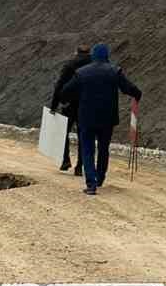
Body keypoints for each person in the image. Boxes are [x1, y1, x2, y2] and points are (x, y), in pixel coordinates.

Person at [58, 42, 141, 195]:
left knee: (88, 150)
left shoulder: (81, 73)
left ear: (93, 55)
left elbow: (65, 92)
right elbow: (128, 88)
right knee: (103, 148)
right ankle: (100, 177)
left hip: (86, 118)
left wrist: (67, 100)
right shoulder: (114, 71)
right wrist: (137, 94)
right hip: (107, 119)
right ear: (106, 56)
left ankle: (91, 184)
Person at [49, 44, 90, 174]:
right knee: (83, 135)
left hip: (69, 105)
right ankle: (80, 166)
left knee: (63, 133)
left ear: (76, 52)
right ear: (89, 53)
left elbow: (59, 85)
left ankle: (66, 160)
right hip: (86, 105)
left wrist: (54, 105)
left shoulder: (70, 65)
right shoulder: (93, 66)